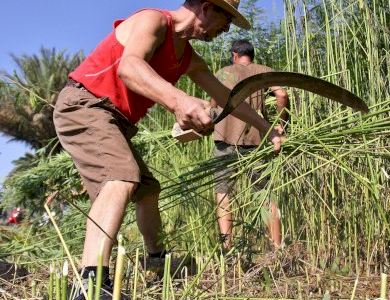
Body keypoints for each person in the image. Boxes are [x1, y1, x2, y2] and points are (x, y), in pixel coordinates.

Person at [52, 0, 284, 298]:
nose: (224, 31)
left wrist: (268, 129)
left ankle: (156, 261)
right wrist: (179, 101)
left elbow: (228, 99)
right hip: (85, 105)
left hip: (116, 121)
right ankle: (90, 284)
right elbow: (129, 67)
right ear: (206, 8)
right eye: (224, 22)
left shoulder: (188, 57)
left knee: (147, 189)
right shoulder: (153, 21)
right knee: (121, 177)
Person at [211, 39, 289, 251]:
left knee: (223, 192)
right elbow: (281, 94)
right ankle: (276, 247)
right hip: (256, 140)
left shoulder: (223, 73)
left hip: (224, 140)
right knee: (264, 194)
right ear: (251, 55)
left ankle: (227, 247)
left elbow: (212, 105)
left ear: (234, 54)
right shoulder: (263, 70)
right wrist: (280, 124)